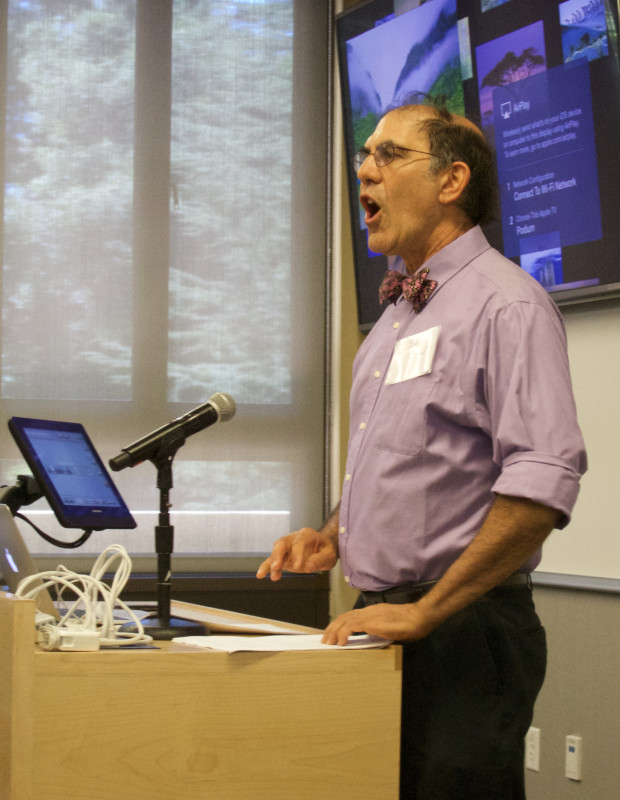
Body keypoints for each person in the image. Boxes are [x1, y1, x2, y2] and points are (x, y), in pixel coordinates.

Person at [257, 96, 587, 799]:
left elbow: (544, 480)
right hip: (385, 622)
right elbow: (408, 460)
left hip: (464, 630)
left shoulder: (507, 304)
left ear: (451, 182)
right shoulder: (393, 322)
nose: (364, 172)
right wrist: (332, 535)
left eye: (387, 154)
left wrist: (429, 610)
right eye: (362, 156)